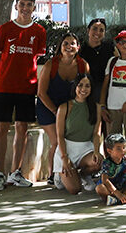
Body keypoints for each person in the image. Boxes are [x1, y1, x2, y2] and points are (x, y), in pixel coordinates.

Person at [37, 33, 89, 184]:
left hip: (69, 109)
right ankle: (53, 175)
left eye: (72, 43)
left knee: (68, 140)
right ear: (60, 47)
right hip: (48, 107)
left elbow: (86, 89)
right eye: (65, 43)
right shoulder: (50, 65)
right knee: (56, 142)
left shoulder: (82, 65)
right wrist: (56, 112)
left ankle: (71, 171)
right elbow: (41, 93)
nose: (69, 46)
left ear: (78, 47)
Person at [53, 75, 102, 194]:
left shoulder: (96, 107)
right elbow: (59, 135)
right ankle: (59, 176)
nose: (83, 89)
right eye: (80, 85)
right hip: (67, 148)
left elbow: (96, 133)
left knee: (98, 162)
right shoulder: (64, 107)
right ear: (75, 86)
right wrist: (64, 158)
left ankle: (83, 175)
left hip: (85, 148)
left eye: (87, 86)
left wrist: (96, 150)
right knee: (75, 189)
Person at [78, 18, 114, 106]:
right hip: (89, 90)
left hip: (109, 89)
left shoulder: (110, 48)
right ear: (88, 30)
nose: (97, 32)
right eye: (94, 29)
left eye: (101, 30)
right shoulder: (81, 50)